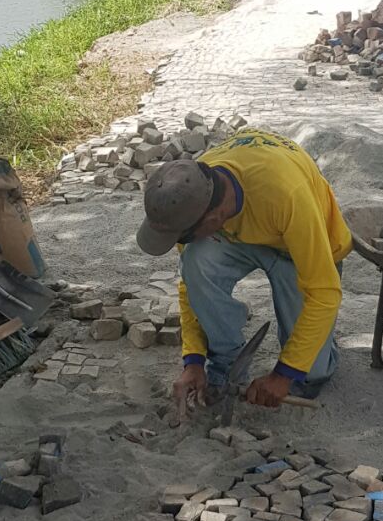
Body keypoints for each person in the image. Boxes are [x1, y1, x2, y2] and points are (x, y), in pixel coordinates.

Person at [136, 130, 351, 414]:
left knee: (310, 373)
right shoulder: (193, 192)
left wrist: (284, 374)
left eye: (183, 236)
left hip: (300, 247)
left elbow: (324, 292)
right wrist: (194, 360)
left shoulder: (286, 195)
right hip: (242, 233)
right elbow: (191, 287)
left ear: (213, 218)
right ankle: (227, 358)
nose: (180, 242)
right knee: (196, 260)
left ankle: (321, 343)